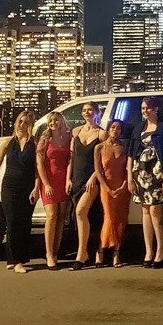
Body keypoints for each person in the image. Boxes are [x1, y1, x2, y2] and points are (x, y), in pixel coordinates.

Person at [0, 109, 39, 273]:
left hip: (28, 186)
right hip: (10, 186)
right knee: (12, 221)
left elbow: (37, 169)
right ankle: (15, 261)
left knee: (25, 222)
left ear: (31, 125)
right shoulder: (8, 143)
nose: (22, 125)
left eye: (26, 122)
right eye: (20, 121)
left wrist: (36, 188)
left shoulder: (34, 143)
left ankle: (19, 258)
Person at [127, 96, 163, 268]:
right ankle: (148, 251)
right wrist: (129, 178)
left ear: (156, 109)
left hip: (158, 173)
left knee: (156, 211)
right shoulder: (138, 128)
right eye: (142, 108)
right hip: (140, 173)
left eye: (148, 108)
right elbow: (131, 154)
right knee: (145, 211)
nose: (145, 111)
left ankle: (160, 250)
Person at [68, 102, 105, 270]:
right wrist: (68, 179)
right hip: (76, 179)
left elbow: (103, 163)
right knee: (80, 217)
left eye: (90, 110)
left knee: (80, 212)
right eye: (84, 110)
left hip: (92, 182)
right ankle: (89, 250)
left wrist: (94, 177)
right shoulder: (75, 132)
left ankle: (81, 253)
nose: (87, 113)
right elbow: (72, 158)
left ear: (97, 112)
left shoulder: (102, 134)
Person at [36, 111, 73, 270]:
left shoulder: (68, 137)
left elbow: (70, 159)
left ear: (61, 121)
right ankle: (49, 254)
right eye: (51, 121)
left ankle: (56, 252)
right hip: (49, 182)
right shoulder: (44, 140)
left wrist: (68, 180)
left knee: (61, 218)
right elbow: (39, 164)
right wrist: (46, 184)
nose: (53, 123)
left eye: (56, 120)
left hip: (63, 181)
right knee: (51, 216)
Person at [94, 119, 130, 268]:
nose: (116, 130)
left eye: (119, 128)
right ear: (108, 129)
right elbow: (98, 170)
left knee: (120, 220)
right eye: (113, 127)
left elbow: (129, 169)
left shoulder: (124, 147)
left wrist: (124, 186)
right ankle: (101, 250)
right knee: (109, 218)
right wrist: (107, 188)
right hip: (106, 187)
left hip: (122, 187)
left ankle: (116, 253)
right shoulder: (99, 148)